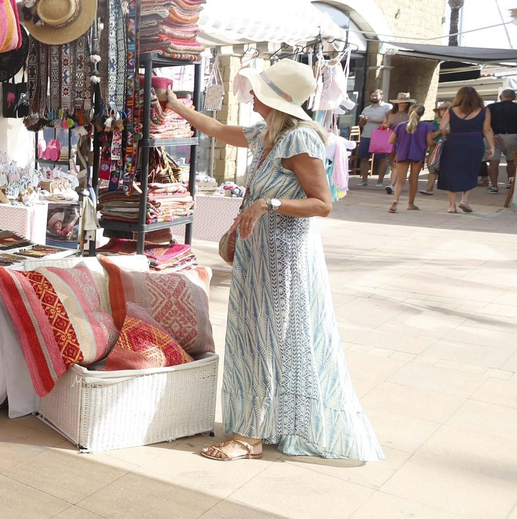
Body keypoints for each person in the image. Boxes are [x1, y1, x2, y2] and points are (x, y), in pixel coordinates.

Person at [159, 60, 382, 462]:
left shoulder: (301, 140)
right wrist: (175, 105)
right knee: (252, 337)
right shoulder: (268, 133)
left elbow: (323, 204)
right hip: (257, 255)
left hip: (282, 259)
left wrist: (269, 203)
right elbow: (214, 129)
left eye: (259, 93)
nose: (252, 99)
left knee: (264, 340)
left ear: (275, 99)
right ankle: (262, 425)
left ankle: (251, 437)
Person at [437, 86, 497, 214]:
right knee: (471, 169)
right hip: (474, 142)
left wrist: (447, 135)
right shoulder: (484, 111)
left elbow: (442, 127)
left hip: (454, 142)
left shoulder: (451, 110)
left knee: (451, 171)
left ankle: (451, 206)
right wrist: (492, 146)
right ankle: (464, 200)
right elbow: (487, 130)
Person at [389, 103, 433, 213]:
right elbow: (429, 142)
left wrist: (400, 142)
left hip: (402, 153)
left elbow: (390, 141)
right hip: (417, 155)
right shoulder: (427, 126)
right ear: (422, 114)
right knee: (413, 180)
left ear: (409, 112)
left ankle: (395, 200)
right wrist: (436, 144)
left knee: (400, 180)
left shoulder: (400, 126)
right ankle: (411, 204)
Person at [357, 89, 392, 187]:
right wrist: (363, 120)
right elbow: (361, 124)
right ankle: (364, 181)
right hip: (366, 135)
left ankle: (380, 181)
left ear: (381, 96)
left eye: (376, 95)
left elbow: (389, 120)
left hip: (380, 136)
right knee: (364, 158)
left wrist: (371, 120)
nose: (373, 97)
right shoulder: (366, 109)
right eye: (372, 96)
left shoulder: (387, 107)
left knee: (381, 159)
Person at [488, 88, 517, 193]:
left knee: (494, 162)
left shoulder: (491, 107)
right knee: (512, 161)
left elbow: (486, 124)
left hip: (494, 136)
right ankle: (510, 184)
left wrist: (492, 135)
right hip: (513, 137)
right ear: (514, 98)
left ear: (501, 97)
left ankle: (494, 187)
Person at [422, 100, 451, 195]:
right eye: (441, 109)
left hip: (448, 148)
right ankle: (429, 189)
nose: (443, 111)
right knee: (432, 169)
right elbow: (430, 137)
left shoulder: (454, 122)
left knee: (448, 168)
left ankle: (449, 189)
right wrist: (440, 131)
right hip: (435, 147)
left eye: (446, 109)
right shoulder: (435, 123)